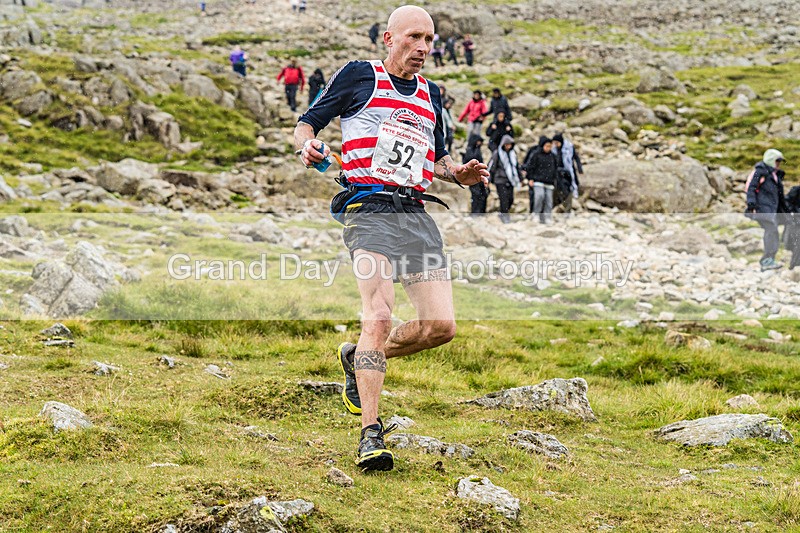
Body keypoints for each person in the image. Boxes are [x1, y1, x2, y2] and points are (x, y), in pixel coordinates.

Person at [294, 4, 489, 473]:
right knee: (378, 317)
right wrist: (308, 145)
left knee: (440, 327)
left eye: (430, 40)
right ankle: (370, 434)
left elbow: (437, 160)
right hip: (369, 210)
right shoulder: (360, 76)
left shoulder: (433, 93)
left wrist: (457, 173)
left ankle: (356, 357)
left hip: (415, 214)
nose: (423, 48)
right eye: (414, 37)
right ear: (388, 38)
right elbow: (307, 123)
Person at [746, 148, 788, 271]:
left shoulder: (775, 176)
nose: (778, 164)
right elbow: (751, 188)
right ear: (771, 160)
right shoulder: (761, 171)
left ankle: (769, 259)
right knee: (772, 231)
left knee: (773, 232)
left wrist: (786, 211)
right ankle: (767, 260)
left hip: (772, 210)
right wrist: (751, 205)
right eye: (777, 161)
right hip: (762, 209)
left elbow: (780, 197)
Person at [524, 135, 558, 223]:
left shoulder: (553, 156)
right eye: (547, 146)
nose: (548, 148)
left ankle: (547, 217)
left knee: (549, 200)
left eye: (550, 146)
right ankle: (536, 214)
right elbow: (530, 167)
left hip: (549, 182)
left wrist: (555, 180)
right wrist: (530, 178)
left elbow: (555, 169)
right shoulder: (536, 154)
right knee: (539, 196)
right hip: (537, 180)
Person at [488, 134, 521, 224]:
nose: (508, 146)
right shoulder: (497, 153)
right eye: (506, 144)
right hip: (500, 180)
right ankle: (505, 216)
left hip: (511, 180)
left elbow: (516, 167)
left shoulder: (513, 154)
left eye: (510, 145)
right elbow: (491, 166)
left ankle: (503, 213)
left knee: (511, 199)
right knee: (504, 199)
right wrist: (488, 178)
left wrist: (520, 177)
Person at [551, 133, 583, 213]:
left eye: (557, 143)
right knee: (559, 188)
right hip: (558, 172)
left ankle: (568, 206)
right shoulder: (554, 150)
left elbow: (576, 158)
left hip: (568, 171)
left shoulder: (569, 148)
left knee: (569, 188)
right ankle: (560, 204)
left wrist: (580, 168)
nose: (556, 144)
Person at [464, 134, 488, 215]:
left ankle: (481, 212)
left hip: (479, 176)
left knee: (483, 194)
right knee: (476, 195)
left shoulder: (477, 149)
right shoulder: (470, 150)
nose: (479, 143)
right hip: (472, 177)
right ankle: (475, 213)